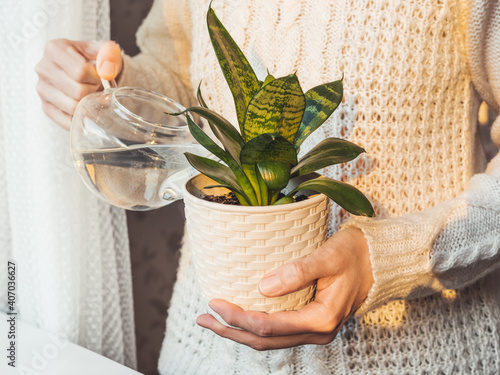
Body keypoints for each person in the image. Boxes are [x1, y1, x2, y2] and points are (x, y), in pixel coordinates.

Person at [35, 0, 500, 373]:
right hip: (206, 354)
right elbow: (180, 82)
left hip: (419, 354)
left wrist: (392, 257)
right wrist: (105, 90)